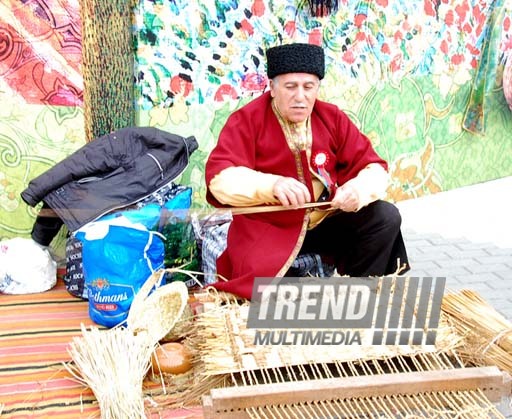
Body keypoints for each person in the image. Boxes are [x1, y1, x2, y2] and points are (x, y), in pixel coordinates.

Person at [205, 43, 409, 300]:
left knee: (384, 216)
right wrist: (272, 185)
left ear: (317, 88)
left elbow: (375, 168)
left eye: (308, 87)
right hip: (269, 228)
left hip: (324, 222)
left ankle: (360, 297)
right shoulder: (247, 120)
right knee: (260, 287)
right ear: (272, 87)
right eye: (290, 87)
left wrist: (357, 191)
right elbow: (220, 177)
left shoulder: (331, 117)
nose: (300, 96)